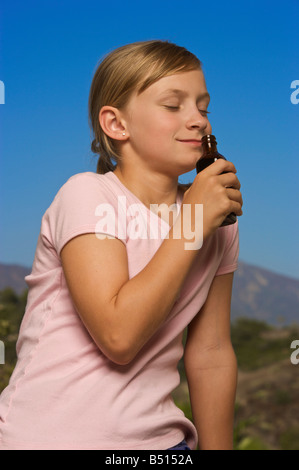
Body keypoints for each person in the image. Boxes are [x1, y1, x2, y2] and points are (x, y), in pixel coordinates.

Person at [0, 40, 243, 450]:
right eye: (173, 105)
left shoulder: (217, 223)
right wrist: (193, 224)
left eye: (203, 107)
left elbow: (212, 351)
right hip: (49, 439)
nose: (198, 121)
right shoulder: (88, 196)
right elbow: (118, 337)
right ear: (116, 124)